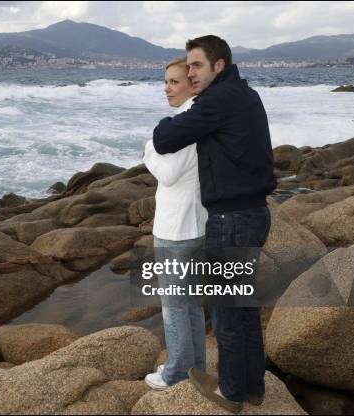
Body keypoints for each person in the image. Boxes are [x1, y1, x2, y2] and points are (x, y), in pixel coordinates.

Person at [152, 35, 276, 414]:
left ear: (218, 66)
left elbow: (165, 137)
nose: (190, 74)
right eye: (187, 66)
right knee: (244, 308)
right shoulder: (244, 93)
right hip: (253, 211)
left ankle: (230, 393)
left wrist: (160, 126)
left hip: (232, 219)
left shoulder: (219, 99)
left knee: (227, 312)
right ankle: (252, 387)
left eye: (196, 66)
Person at [142, 58, 208, 390]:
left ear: (191, 83)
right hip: (191, 223)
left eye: (174, 82)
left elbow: (168, 174)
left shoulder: (186, 123)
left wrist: (149, 150)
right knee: (190, 303)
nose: (166, 88)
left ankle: (177, 372)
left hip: (178, 227)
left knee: (173, 307)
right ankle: (196, 367)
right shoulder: (193, 118)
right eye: (165, 81)